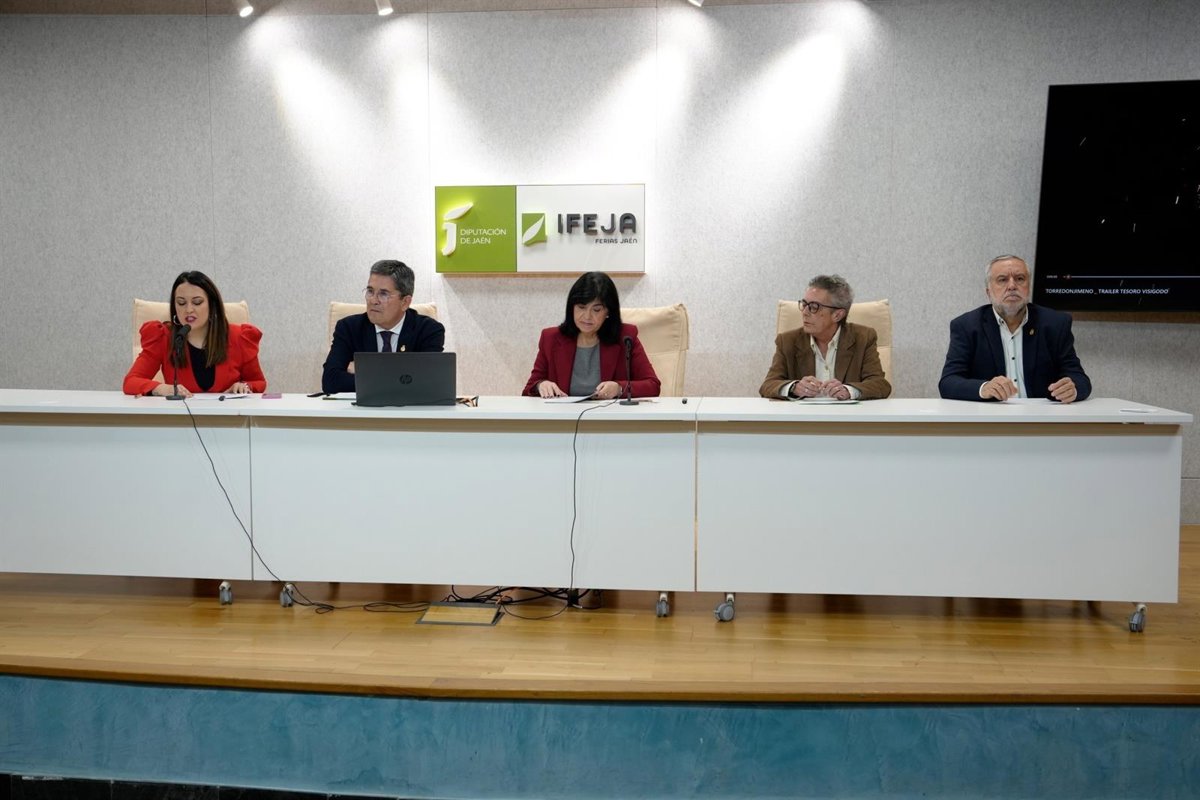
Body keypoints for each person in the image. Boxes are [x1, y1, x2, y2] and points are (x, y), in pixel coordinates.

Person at [939, 254, 1091, 403]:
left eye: (1019, 279)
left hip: (1041, 414)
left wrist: (1072, 389)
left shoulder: (1055, 324)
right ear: (988, 292)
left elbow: (1080, 379)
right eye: (1002, 280)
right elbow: (948, 382)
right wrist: (983, 388)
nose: (1012, 286)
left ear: (1028, 288)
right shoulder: (966, 326)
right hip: (991, 415)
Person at [124, 271, 266, 397]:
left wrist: (244, 386)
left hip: (228, 416)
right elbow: (131, 381)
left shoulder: (239, 337)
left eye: (197, 302)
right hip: (180, 416)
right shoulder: (163, 337)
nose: (188, 310)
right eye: (181, 303)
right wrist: (161, 388)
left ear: (212, 305)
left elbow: (258, 382)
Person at [523, 271, 660, 399]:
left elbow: (653, 385)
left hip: (609, 415)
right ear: (572, 307)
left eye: (596, 309)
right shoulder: (551, 338)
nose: (587, 316)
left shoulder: (625, 337)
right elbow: (529, 388)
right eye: (581, 307)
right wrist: (541, 385)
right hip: (563, 415)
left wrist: (619, 388)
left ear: (608, 312)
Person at [759, 274, 891, 400]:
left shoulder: (863, 338)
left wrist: (848, 390)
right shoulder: (787, 341)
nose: (804, 312)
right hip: (803, 415)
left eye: (814, 307)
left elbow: (880, 385)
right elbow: (768, 385)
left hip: (847, 414)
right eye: (804, 304)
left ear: (837, 315)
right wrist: (794, 387)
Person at [322, 260, 445, 394]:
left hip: (408, 407)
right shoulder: (349, 328)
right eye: (370, 291)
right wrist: (400, 378)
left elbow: (429, 383)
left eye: (383, 294)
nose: (373, 300)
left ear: (405, 302)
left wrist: (365, 374)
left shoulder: (428, 331)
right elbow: (330, 381)